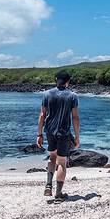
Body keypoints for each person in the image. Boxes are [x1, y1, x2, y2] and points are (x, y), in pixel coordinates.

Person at [36, 70, 80, 203]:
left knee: (52, 158)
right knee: (62, 162)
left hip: (50, 132)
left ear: (56, 80)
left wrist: (39, 134)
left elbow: (42, 115)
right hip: (64, 133)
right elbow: (75, 118)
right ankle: (58, 194)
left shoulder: (47, 94)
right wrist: (77, 136)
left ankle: (48, 184)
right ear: (68, 82)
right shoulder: (72, 96)